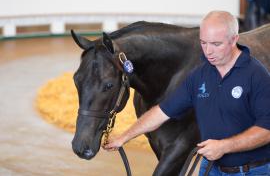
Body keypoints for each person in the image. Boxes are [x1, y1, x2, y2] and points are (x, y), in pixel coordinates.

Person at [103, 11, 270, 175]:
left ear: (234, 39)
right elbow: (162, 112)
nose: (208, 51)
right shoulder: (200, 75)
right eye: (203, 43)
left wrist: (224, 146)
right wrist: (124, 137)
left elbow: (266, 131)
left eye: (216, 44)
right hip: (211, 168)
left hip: (250, 171)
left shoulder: (256, 75)